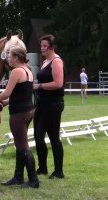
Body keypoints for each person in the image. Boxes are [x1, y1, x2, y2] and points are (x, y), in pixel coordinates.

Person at [0, 46, 39, 188]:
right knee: (20, 144)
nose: (8, 59)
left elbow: (7, 92)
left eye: (10, 56)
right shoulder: (28, 70)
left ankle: (33, 180)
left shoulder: (16, 71)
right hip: (28, 110)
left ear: (17, 58)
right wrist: (5, 103)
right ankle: (18, 177)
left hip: (19, 113)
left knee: (23, 146)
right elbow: (19, 94)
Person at [33, 34, 65, 179]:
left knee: (53, 138)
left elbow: (58, 84)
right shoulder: (45, 61)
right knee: (38, 137)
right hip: (42, 102)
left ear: (52, 47)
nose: (42, 48)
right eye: (41, 46)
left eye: (45, 46)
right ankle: (43, 167)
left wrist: (38, 86)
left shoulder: (56, 61)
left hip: (53, 104)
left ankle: (58, 171)